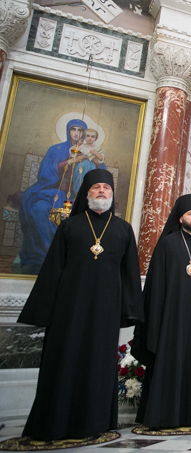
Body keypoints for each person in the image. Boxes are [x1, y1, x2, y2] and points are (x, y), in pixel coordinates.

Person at [18, 169, 143, 440]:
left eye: (106, 188)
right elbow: (53, 269)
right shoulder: (70, 226)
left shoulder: (123, 229)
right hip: (68, 308)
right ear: (86, 194)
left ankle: (96, 422)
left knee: (99, 364)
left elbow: (130, 273)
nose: (102, 191)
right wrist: (46, 309)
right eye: (96, 187)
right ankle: (54, 421)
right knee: (64, 360)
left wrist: (130, 311)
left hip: (106, 311)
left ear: (112, 194)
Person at [132, 194, 191, 429]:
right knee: (168, 362)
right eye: (190, 214)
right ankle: (163, 414)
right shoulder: (167, 244)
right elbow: (155, 288)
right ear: (180, 217)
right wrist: (155, 321)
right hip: (170, 321)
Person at [18, 119, 88, 274]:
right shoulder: (56, 149)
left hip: (74, 195)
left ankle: (66, 258)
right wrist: (70, 161)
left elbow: (95, 174)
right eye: (73, 129)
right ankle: (41, 255)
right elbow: (45, 173)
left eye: (80, 130)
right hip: (48, 191)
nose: (76, 133)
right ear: (68, 131)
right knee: (40, 210)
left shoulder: (87, 151)